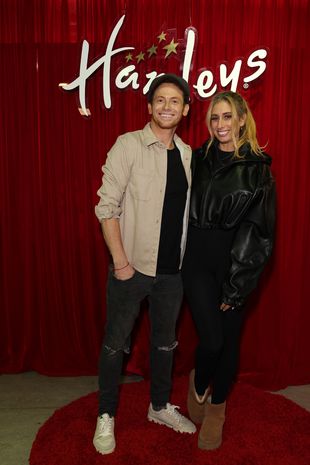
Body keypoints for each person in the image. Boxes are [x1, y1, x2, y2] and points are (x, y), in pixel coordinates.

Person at [93, 74, 196, 455]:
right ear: (149, 106)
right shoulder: (128, 145)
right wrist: (121, 264)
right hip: (131, 268)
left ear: (185, 110)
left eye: (175, 101)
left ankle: (158, 407)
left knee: (165, 344)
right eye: (160, 100)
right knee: (114, 345)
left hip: (172, 273)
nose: (167, 106)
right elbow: (107, 207)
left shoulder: (187, 154)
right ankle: (106, 414)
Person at [182, 91, 276, 450]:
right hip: (196, 260)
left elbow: (259, 233)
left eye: (227, 117)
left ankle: (217, 408)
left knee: (230, 340)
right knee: (212, 339)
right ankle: (199, 381)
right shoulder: (196, 158)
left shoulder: (258, 169)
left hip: (235, 263)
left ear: (241, 119)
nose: (220, 124)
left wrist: (237, 285)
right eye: (214, 118)